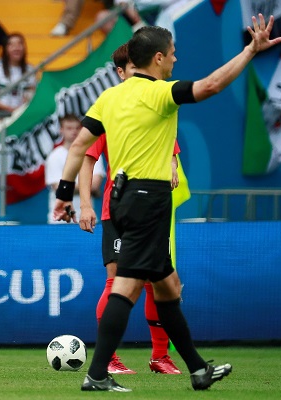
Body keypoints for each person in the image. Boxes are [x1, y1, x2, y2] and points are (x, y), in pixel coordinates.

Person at [53, 15, 281, 392]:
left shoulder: (110, 96)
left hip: (124, 198)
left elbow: (78, 146)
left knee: (168, 287)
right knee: (125, 288)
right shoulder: (160, 93)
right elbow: (210, 86)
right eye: (173, 55)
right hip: (148, 199)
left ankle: (196, 369)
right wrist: (249, 50)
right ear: (158, 58)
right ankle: (96, 374)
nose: (176, 60)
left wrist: (64, 196)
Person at [78, 42, 181, 375]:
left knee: (159, 282)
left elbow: (168, 147)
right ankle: (108, 359)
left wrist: (172, 163)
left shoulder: (155, 103)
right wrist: (84, 203)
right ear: (121, 72)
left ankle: (160, 356)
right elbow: (86, 156)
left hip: (154, 207)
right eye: (130, 70)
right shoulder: (109, 107)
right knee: (116, 280)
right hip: (118, 206)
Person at [46, 114, 105, 224]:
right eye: (69, 128)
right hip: (61, 221)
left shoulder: (92, 152)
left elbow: (95, 185)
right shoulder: (54, 156)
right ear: (61, 130)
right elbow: (58, 188)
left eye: (77, 128)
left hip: (87, 219)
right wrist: (87, 188)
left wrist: (67, 187)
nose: (74, 131)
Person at [0, 32, 37, 113]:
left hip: (23, 113)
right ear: (5, 49)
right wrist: (11, 110)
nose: (16, 48)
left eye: (20, 44)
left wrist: (23, 107)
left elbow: (32, 93)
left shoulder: (30, 69)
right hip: (0, 112)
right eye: (11, 45)